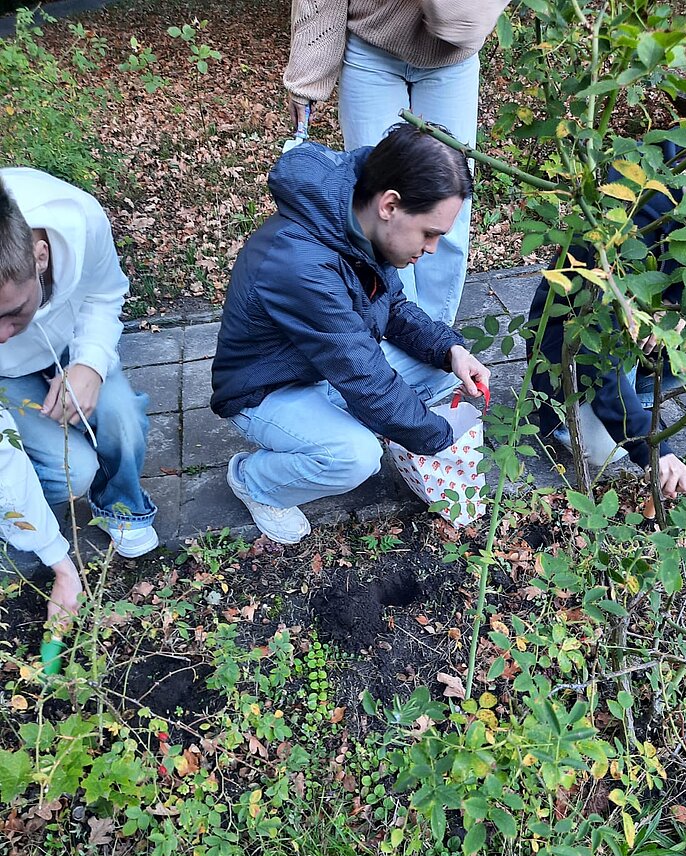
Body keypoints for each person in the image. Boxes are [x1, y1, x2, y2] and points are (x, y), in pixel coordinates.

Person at [211, 123, 490, 544]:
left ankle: (360, 423)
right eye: (429, 233)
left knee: (449, 373)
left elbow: (392, 308)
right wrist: (436, 436)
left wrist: (449, 348)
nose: (431, 248)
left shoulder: (356, 221)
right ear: (390, 205)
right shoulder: (301, 263)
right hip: (266, 388)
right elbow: (363, 375)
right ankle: (255, 482)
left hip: (323, 365)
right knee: (353, 456)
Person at [528, 144, 686, 499]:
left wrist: (678, 306)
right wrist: (652, 446)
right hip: (576, 358)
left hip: (633, 344)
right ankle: (590, 418)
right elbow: (595, 355)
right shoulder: (624, 221)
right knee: (601, 450)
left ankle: (642, 392)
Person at [283, 0, 508, 325]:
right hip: (372, 45)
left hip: (452, 56)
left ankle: (436, 349)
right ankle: (394, 344)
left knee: (445, 221)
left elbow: (459, 20)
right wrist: (307, 75)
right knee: (377, 211)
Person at [0, 168, 158, 623]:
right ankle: (18, 515)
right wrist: (60, 562)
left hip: (71, 342)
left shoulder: (81, 218)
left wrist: (88, 364)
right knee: (73, 473)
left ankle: (122, 508)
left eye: (11, 313)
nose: (3, 336)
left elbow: (106, 295)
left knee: (122, 419)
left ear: (41, 257)